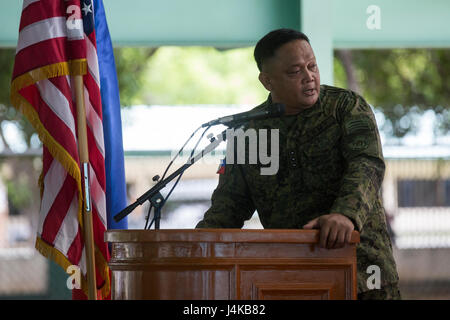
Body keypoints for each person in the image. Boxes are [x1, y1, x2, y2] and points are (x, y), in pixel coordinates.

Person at [196, 28, 401, 300]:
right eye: (295, 72)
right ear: (267, 81)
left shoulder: (346, 108)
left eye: (312, 66)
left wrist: (345, 215)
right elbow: (229, 205)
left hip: (363, 273)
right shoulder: (248, 131)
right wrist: (193, 247)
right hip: (293, 279)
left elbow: (367, 165)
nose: (309, 77)